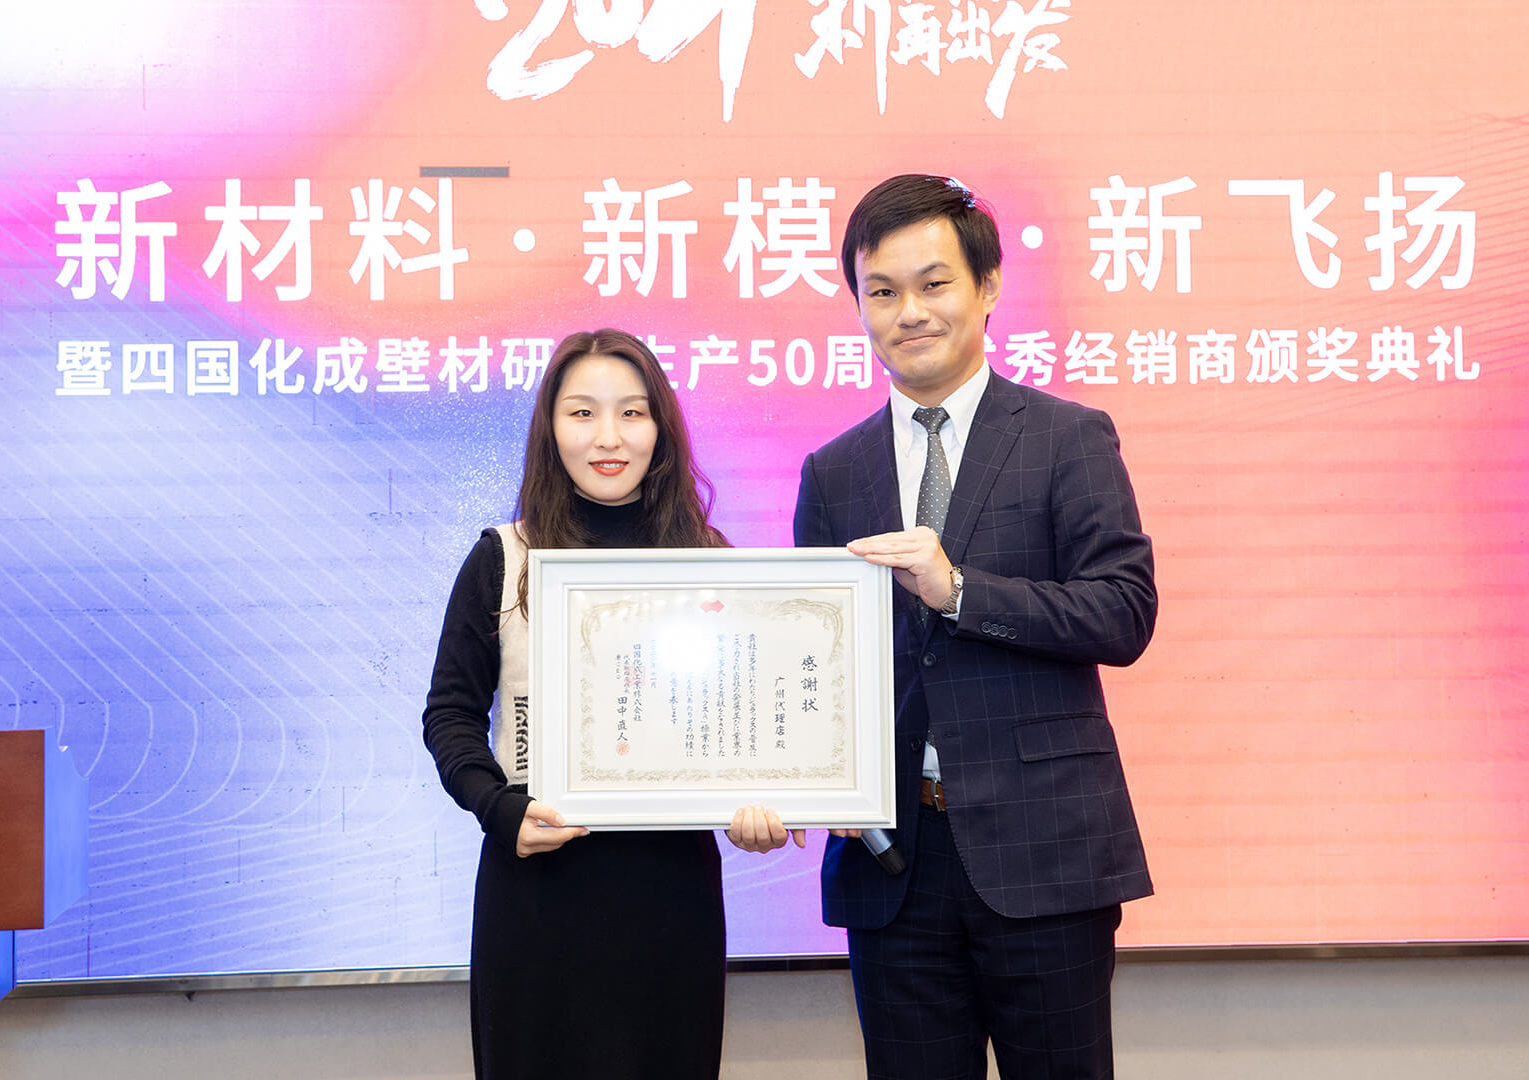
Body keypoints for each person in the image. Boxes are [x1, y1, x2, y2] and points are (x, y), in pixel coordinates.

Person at [786, 174, 1157, 1079]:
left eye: (934, 284)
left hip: (1046, 852)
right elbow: (817, 664)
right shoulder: (833, 471)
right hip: (893, 864)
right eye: (882, 291)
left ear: (987, 287)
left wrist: (958, 590)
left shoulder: (1067, 437)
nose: (909, 312)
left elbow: (1123, 610)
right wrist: (803, 773)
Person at [425, 327, 779, 1080]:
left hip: (668, 895)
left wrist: (760, 801)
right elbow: (449, 715)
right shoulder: (502, 557)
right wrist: (500, 808)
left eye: (633, 412)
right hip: (537, 893)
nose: (608, 437)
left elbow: (744, 728)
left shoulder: (710, 564)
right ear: (551, 429)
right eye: (582, 412)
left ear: (661, 429)